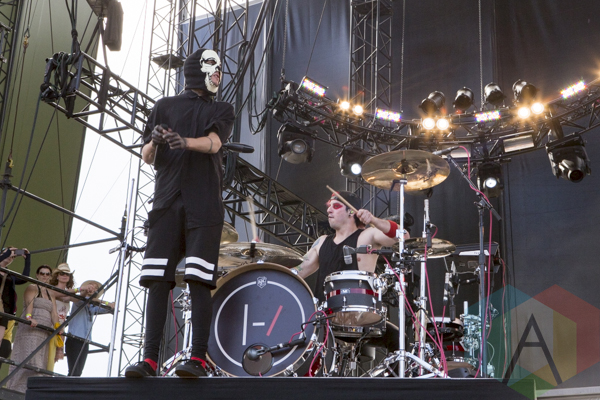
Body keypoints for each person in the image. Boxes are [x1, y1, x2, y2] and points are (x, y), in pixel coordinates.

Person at [125, 48, 235, 378]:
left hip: (204, 204)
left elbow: (214, 143)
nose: (217, 73)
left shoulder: (222, 109)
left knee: (199, 281)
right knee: (158, 281)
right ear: (195, 70)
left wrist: (183, 141)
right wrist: (157, 141)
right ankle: (149, 360)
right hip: (166, 202)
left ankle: (197, 358)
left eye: (219, 67)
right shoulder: (164, 106)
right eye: (212, 65)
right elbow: (146, 155)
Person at [293, 191, 407, 301]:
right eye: (329, 206)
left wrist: (374, 220)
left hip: (357, 310)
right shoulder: (321, 242)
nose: (329, 210)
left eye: (336, 206)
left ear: (351, 211)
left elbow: (404, 236)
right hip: (322, 312)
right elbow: (298, 272)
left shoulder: (366, 236)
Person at [7, 265, 60, 393]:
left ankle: (37, 389)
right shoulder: (32, 287)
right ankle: (19, 389)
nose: (44, 276)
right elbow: (29, 304)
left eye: (47, 274)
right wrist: (29, 318)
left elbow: (54, 313)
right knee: (29, 357)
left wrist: (58, 327)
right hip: (32, 328)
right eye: (42, 273)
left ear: (50, 276)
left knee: (41, 359)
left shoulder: (51, 293)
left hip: (45, 330)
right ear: (37, 275)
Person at [64, 279, 114, 376]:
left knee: (78, 372)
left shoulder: (92, 306)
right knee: (74, 370)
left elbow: (109, 308)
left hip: (85, 341)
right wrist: (103, 302)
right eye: (91, 285)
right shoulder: (79, 300)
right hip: (74, 339)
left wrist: (109, 304)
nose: (93, 288)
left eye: (95, 288)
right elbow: (81, 299)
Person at [48, 263, 76, 369]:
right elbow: (60, 294)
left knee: (54, 357)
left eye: (67, 274)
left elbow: (79, 299)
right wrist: (80, 289)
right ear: (57, 276)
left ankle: (47, 376)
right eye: (62, 273)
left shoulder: (70, 293)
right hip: (49, 323)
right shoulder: (51, 289)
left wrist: (86, 291)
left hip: (61, 327)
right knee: (45, 353)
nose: (65, 276)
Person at [0, 247, 31, 341]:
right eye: (8, 254)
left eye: (13, 257)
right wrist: (7, 253)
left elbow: (24, 279)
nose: (10, 256)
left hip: (4, 309)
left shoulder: (9, 274)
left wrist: (27, 259)